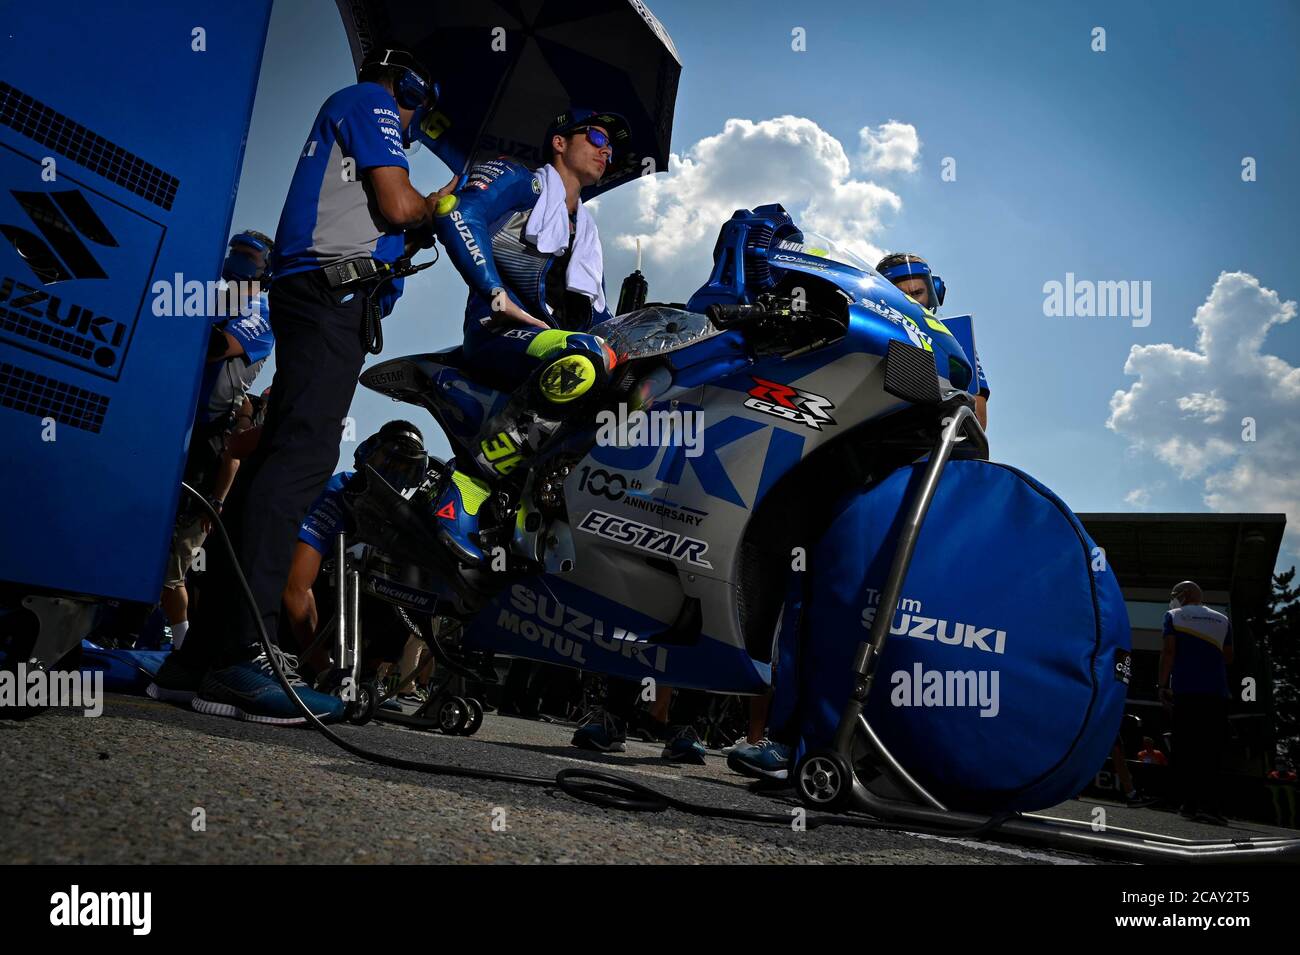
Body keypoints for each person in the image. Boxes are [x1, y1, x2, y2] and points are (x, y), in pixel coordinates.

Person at [150, 48, 454, 723]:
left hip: (321, 298)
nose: (415, 120)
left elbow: (383, 221)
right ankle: (240, 653)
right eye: (418, 104)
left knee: (271, 469)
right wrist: (450, 202)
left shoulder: (354, 123)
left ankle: (196, 658)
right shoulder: (370, 100)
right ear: (402, 84)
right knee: (303, 461)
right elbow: (401, 202)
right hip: (326, 299)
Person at [429, 108, 630, 565]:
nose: (606, 149)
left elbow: (595, 313)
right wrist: (496, 294)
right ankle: (467, 488)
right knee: (584, 358)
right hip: (497, 334)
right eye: (596, 135)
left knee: (625, 370)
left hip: (556, 344)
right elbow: (456, 212)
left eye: (611, 146)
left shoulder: (587, 228)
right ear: (559, 142)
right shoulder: (523, 181)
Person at [157, 231, 275, 653]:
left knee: (172, 555)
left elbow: (210, 347)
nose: (238, 260)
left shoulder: (263, 310)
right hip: (166, 427)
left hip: (205, 444)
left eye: (249, 256)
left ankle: (182, 647)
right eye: (235, 252)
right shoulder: (216, 298)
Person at [281, 421, 432, 692]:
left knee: (407, 578)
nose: (393, 477)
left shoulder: (402, 518)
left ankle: (367, 676)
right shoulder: (335, 495)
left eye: (405, 470)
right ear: (367, 454)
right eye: (390, 463)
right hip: (306, 628)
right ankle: (307, 665)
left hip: (357, 614)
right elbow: (295, 587)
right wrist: (324, 668)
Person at [875, 252, 990, 429]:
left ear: (934, 291)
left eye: (917, 293)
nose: (910, 303)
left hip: (937, 445)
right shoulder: (871, 334)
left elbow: (977, 421)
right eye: (900, 296)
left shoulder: (954, 339)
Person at [1159, 579, 1234, 824]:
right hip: (1216, 693)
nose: (1174, 597)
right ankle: (1211, 806)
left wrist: (1162, 685)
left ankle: (1188, 804)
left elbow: (1168, 652)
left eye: (1176, 593)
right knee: (1211, 750)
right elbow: (1229, 657)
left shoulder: (1174, 616)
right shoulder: (1223, 619)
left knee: (1186, 748)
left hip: (1187, 691)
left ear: (1187, 594)